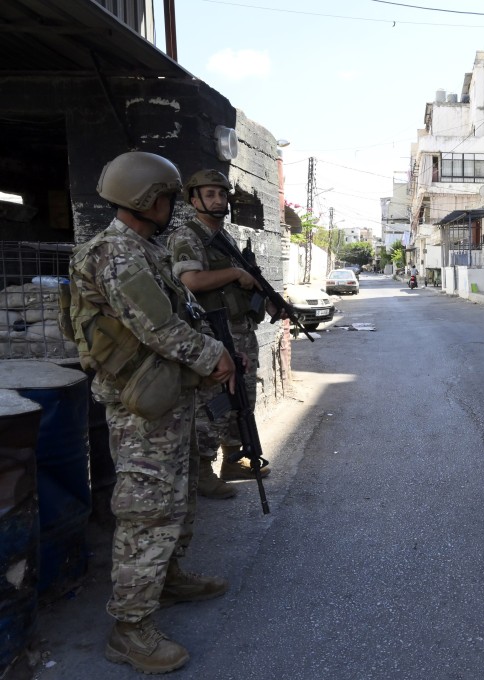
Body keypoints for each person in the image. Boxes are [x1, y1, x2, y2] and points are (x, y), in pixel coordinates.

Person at [67, 151, 236, 674]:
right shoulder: (117, 254)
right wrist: (215, 356)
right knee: (147, 512)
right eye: (166, 197)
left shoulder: (144, 248)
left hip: (166, 396)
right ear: (148, 200)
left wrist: (211, 348)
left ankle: (167, 579)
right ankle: (130, 627)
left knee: (179, 497)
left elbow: (177, 313)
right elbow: (158, 330)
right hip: (141, 408)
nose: (172, 207)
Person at [167, 169, 272, 500]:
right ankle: (203, 473)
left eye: (222, 194)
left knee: (242, 401)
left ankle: (233, 461)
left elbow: (245, 284)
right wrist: (236, 272)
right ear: (194, 199)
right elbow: (190, 282)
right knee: (214, 405)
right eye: (209, 194)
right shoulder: (188, 236)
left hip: (240, 331)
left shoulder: (223, 238)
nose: (217, 200)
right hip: (212, 333)